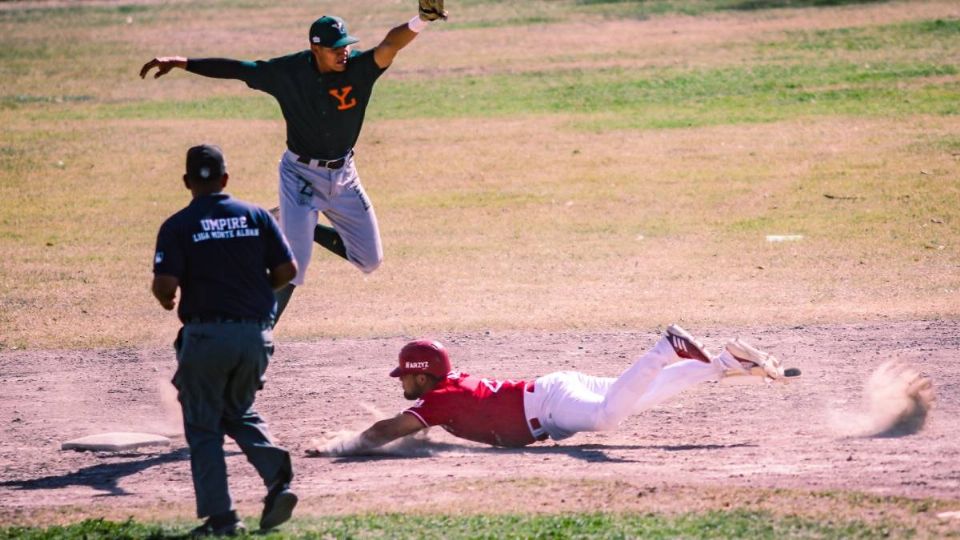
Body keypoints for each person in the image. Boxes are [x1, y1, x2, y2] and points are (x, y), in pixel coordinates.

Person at [141, 5, 448, 323]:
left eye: (346, 45)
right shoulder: (287, 73)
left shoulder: (359, 69)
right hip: (299, 174)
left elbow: (390, 45)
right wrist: (182, 62)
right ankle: (261, 331)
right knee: (294, 265)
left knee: (369, 260)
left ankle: (302, 224)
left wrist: (421, 21)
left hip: (344, 175)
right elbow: (238, 68)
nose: (344, 52)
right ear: (315, 48)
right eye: (335, 48)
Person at [310, 325, 799, 455]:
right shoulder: (447, 392)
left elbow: (389, 429)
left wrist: (342, 447)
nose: (403, 383)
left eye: (405, 375)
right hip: (552, 393)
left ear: (421, 375)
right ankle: (723, 363)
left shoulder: (437, 400)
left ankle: (665, 348)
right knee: (641, 396)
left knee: (610, 417)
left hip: (550, 402)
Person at [151, 144, 300, 535]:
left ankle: (223, 519)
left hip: (207, 337)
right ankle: (279, 482)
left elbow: (165, 284)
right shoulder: (255, 216)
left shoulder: (178, 225)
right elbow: (288, 269)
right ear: (225, 179)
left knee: (203, 426)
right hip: (254, 335)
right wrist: (256, 291)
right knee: (237, 410)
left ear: (186, 182)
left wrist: (167, 299)